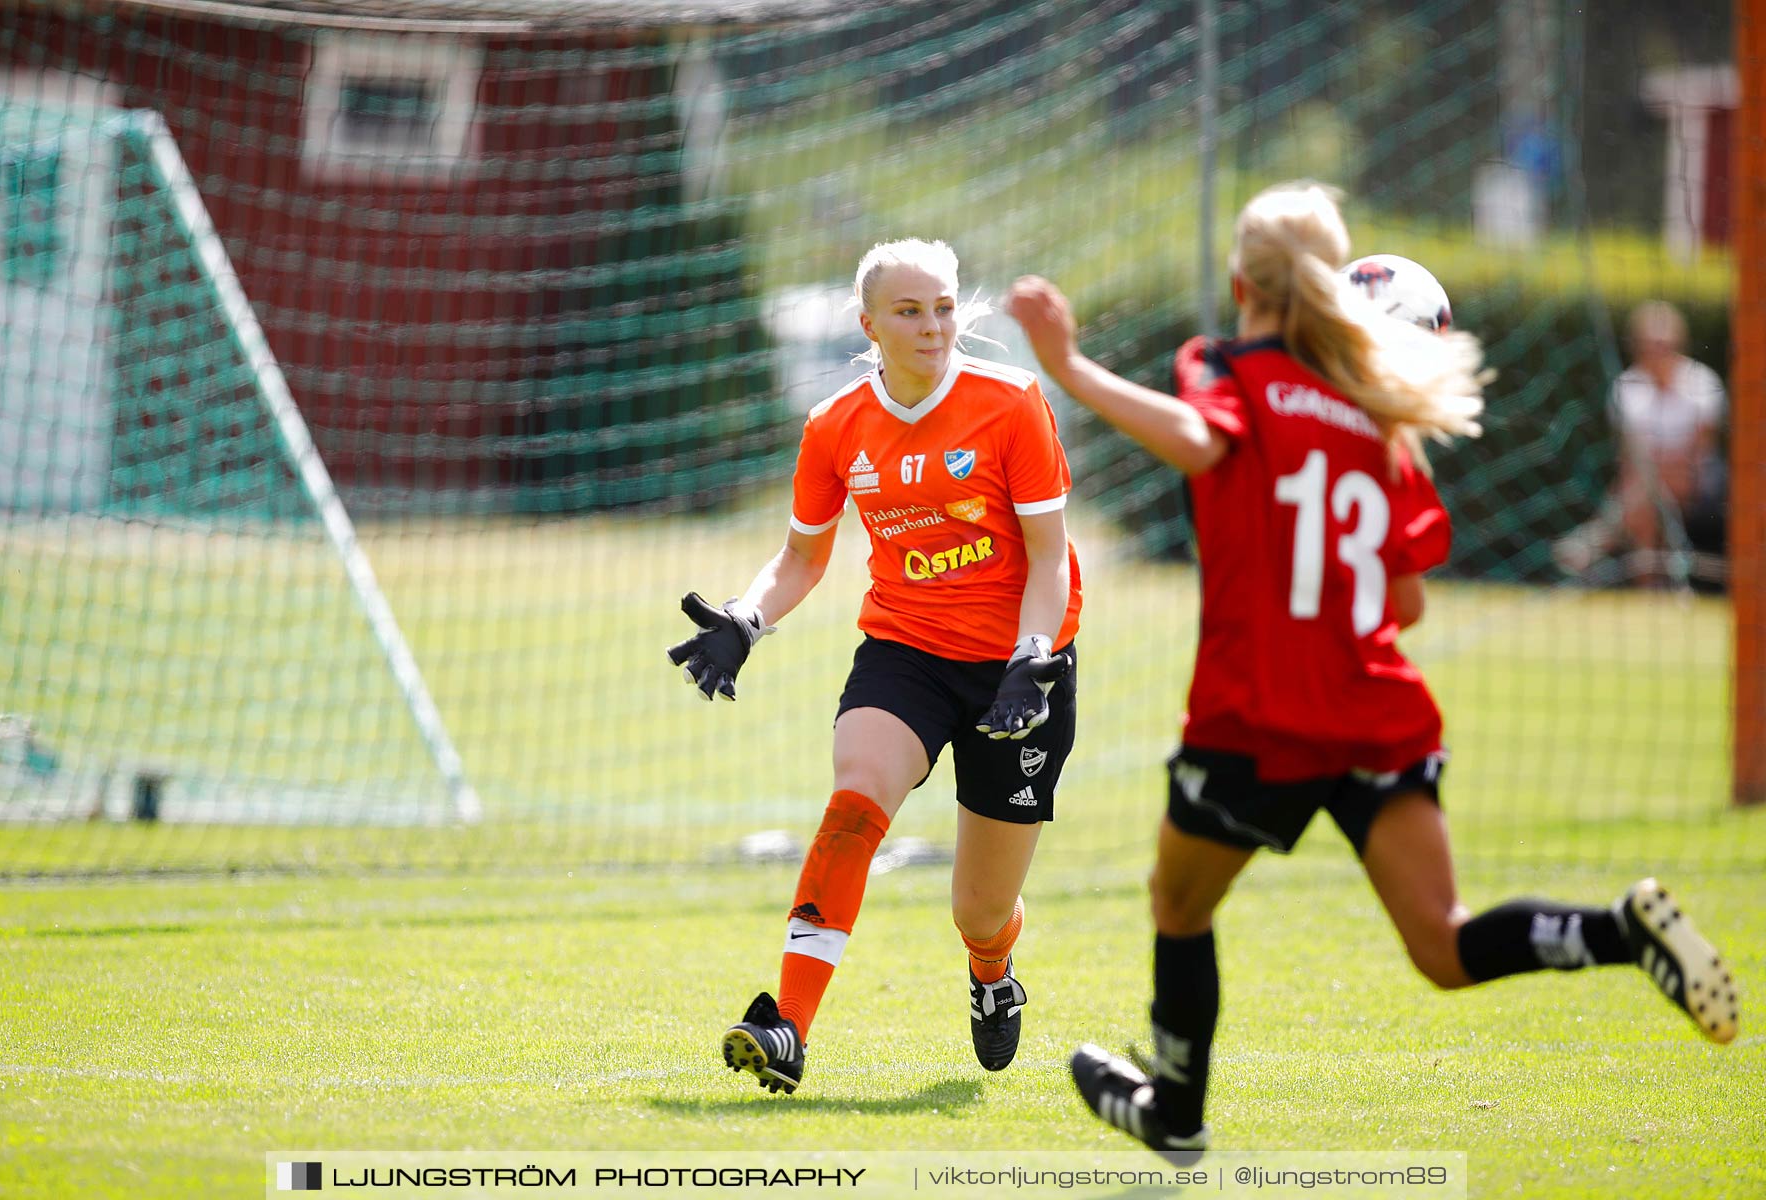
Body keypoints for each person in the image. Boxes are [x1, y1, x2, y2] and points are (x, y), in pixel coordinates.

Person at [1006, 183, 1739, 1158]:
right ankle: (1620, 931)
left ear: (1242, 282)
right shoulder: (1380, 428)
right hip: (1377, 711)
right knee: (1444, 944)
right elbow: (1404, 605)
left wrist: (1069, 366)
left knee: (1177, 905)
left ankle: (1176, 1117)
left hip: (1262, 712)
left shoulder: (1231, 368)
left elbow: (1199, 437)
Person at [671, 238, 1084, 1094]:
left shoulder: (1009, 402)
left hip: (1020, 671)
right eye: (910, 310)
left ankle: (992, 971)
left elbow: (1050, 559)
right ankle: (787, 1027)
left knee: (979, 908)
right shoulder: (836, 425)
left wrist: (1031, 659)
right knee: (854, 801)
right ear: (869, 324)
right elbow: (801, 558)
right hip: (905, 652)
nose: (933, 325)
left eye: (943, 307)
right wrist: (747, 619)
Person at [1554, 301, 1728, 586]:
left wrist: (1648, 473)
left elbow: (1699, 453)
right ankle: (1655, 591)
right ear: (1637, 347)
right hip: (1643, 483)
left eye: (1664, 345)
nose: (1657, 353)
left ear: (1678, 343)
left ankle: (1599, 539)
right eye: (1650, 345)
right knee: (1646, 504)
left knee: (1645, 492)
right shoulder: (1626, 387)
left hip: (1701, 481)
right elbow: (1629, 458)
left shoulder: (1703, 382)